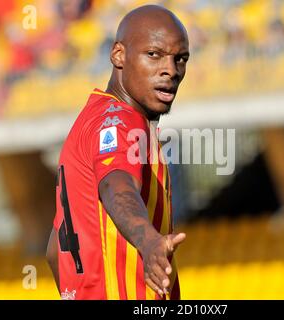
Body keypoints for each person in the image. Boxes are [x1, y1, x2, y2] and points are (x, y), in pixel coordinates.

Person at [46, 5, 190, 300]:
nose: (171, 70)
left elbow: (53, 250)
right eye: (154, 54)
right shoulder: (121, 121)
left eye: (180, 59)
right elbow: (117, 186)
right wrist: (148, 240)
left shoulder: (91, 119)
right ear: (118, 55)